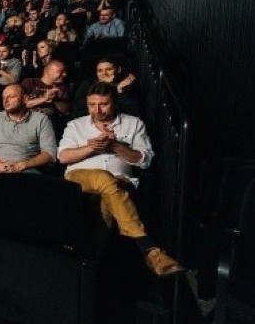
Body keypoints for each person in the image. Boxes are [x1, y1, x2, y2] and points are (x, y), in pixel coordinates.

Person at [58, 82, 184, 277]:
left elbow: (145, 160)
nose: (97, 110)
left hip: (120, 180)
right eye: (92, 105)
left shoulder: (133, 123)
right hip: (79, 178)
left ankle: (88, 270)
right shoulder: (76, 125)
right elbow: (63, 157)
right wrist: (93, 147)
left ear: (114, 103)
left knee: (104, 202)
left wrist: (116, 146)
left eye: (103, 104)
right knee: (104, 178)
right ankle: (150, 249)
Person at [0, 84, 57, 179]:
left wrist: (20, 166)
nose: (5, 101)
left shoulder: (41, 119)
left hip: (26, 169)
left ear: (25, 98)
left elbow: (50, 153)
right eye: (3, 98)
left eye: (11, 97)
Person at [71, 57, 140, 119]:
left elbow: (133, 112)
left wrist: (120, 91)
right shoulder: (87, 84)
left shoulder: (125, 85)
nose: (104, 73)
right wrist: (105, 85)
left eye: (109, 69)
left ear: (118, 69)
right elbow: (76, 108)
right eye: (100, 70)